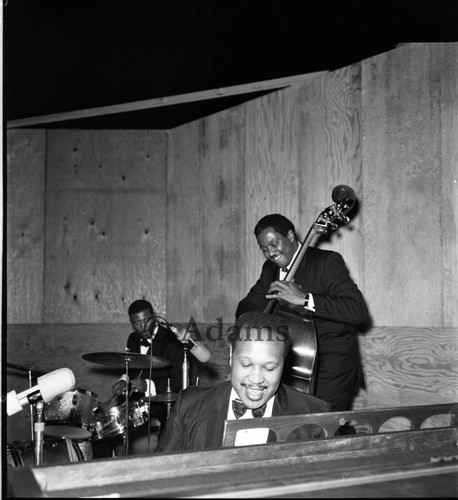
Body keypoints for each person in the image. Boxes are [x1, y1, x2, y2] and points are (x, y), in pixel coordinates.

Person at [235, 213, 369, 411]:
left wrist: (305, 299)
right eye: (264, 249)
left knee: (326, 429)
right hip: (292, 367)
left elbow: (357, 311)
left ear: (290, 236)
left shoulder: (327, 262)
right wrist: (253, 327)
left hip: (331, 370)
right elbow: (248, 304)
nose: (270, 253)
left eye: (274, 244)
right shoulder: (269, 269)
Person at [155, 311, 330, 453]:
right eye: (246, 364)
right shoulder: (189, 406)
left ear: (284, 364)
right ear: (231, 356)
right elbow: (158, 477)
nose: (256, 379)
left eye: (269, 368)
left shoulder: (315, 416)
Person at [94, 299, 185, 456]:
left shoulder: (172, 340)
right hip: (136, 402)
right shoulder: (133, 339)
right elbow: (130, 367)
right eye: (137, 323)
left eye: (147, 320)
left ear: (155, 317)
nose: (143, 327)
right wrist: (123, 380)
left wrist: (147, 386)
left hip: (164, 404)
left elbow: (178, 382)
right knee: (103, 426)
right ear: (131, 323)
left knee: (168, 437)